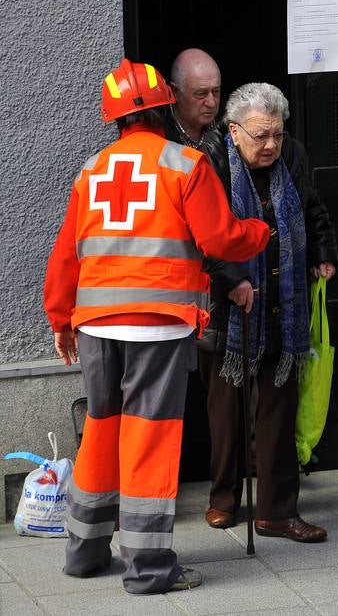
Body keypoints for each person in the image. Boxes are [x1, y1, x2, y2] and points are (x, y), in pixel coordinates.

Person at [44, 59, 269, 594]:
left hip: (97, 324)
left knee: (101, 431)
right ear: (167, 106)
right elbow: (220, 241)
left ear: (115, 118)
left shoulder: (91, 170)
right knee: (149, 439)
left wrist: (61, 319)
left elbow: (64, 258)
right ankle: (148, 569)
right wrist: (260, 231)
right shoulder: (185, 164)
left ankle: (85, 552)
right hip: (158, 325)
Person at [198, 82, 338, 542]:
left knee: (278, 406)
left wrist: (323, 252)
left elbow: (312, 206)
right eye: (261, 135)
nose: (272, 144)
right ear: (234, 130)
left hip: (283, 299)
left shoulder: (292, 155)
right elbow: (204, 234)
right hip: (228, 305)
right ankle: (223, 498)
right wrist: (232, 279)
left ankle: (277, 510)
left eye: (277, 133)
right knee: (227, 408)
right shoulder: (212, 161)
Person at [165, 48, 221, 148]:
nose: (211, 103)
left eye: (216, 91)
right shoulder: (159, 131)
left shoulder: (230, 124)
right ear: (175, 92)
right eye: (201, 94)